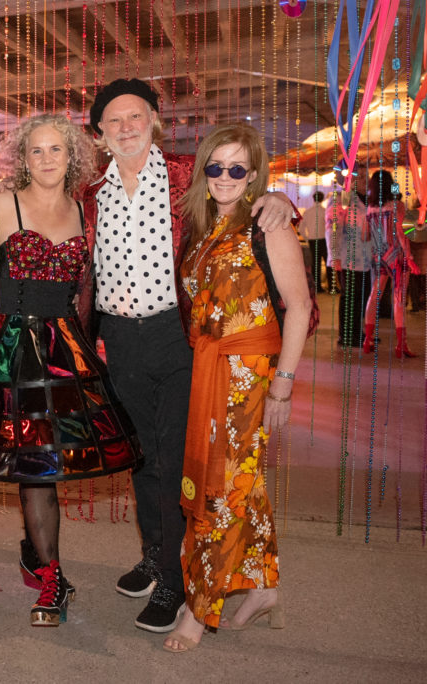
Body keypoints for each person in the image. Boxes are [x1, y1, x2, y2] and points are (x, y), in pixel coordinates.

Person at [79, 78, 295, 633]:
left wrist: (276, 198)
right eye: (114, 121)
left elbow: (239, 193)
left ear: (154, 120)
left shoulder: (185, 176)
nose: (126, 128)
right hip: (118, 340)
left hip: (180, 337)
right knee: (140, 455)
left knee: (178, 460)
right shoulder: (89, 193)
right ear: (100, 135)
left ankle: (176, 582)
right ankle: (155, 555)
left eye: (136, 117)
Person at [0, 114, 140, 627]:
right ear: (24, 157)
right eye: (36, 150)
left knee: (54, 462)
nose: (46, 159)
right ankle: (53, 576)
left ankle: (37, 555)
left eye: (55, 150)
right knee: (36, 469)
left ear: (72, 156)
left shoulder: (86, 213)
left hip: (67, 353)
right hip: (14, 351)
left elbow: (86, 292)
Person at [163, 122, 313, 652]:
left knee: (220, 492)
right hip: (209, 370)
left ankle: (198, 609)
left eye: (237, 168)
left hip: (246, 378)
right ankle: (264, 587)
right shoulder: (204, 227)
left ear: (253, 176)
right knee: (242, 483)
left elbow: (300, 306)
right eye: (216, 166)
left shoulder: (266, 223)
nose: (225, 177)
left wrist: (283, 387)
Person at [362, 170, 419, 357]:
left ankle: (367, 340)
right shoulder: (397, 206)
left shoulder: (369, 209)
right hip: (397, 256)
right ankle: (401, 345)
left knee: (374, 296)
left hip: (378, 256)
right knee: (399, 299)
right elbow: (401, 234)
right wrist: (410, 259)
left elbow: (365, 235)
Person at [327, 187, 372, 348]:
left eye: (364, 175)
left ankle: (356, 332)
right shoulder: (342, 197)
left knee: (361, 296)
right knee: (350, 296)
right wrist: (335, 255)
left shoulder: (365, 197)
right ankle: (346, 335)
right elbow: (333, 229)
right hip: (348, 258)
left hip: (365, 259)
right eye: (358, 175)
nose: (363, 179)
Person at [298, 191, 330, 292]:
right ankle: (331, 287)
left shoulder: (307, 212)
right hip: (324, 239)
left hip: (312, 241)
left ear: (313, 199)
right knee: (328, 263)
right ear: (322, 198)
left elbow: (301, 229)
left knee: (315, 264)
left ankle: (317, 287)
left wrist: (307, 238)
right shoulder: (325, 211)